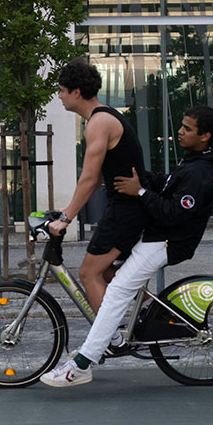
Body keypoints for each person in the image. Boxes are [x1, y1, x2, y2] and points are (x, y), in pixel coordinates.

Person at [41, 106, 213, 387]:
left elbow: (173, 213)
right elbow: (168, 184)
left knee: (117, 292)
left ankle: (83, 364)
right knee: (108, 275)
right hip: (156, 237)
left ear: (205, 136)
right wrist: (137, 178)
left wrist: (139, 191)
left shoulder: (201, 172)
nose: (180, 131)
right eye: (181, 125)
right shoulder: (195, 160)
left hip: (167, 242)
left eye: (188, 129)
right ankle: (147, 317)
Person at [47, 57, 149, 314]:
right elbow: (100, 177)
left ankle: (108, 338)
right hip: (127, 208)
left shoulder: (98, 122)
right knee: (111, 272)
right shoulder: (102, 118)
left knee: (88, 274)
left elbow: (90, 178)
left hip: (126, 210)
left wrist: (67, 217)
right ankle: (158, 315)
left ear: (76, 92)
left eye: (61, 90)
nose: (59, 96)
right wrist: (67, 208)